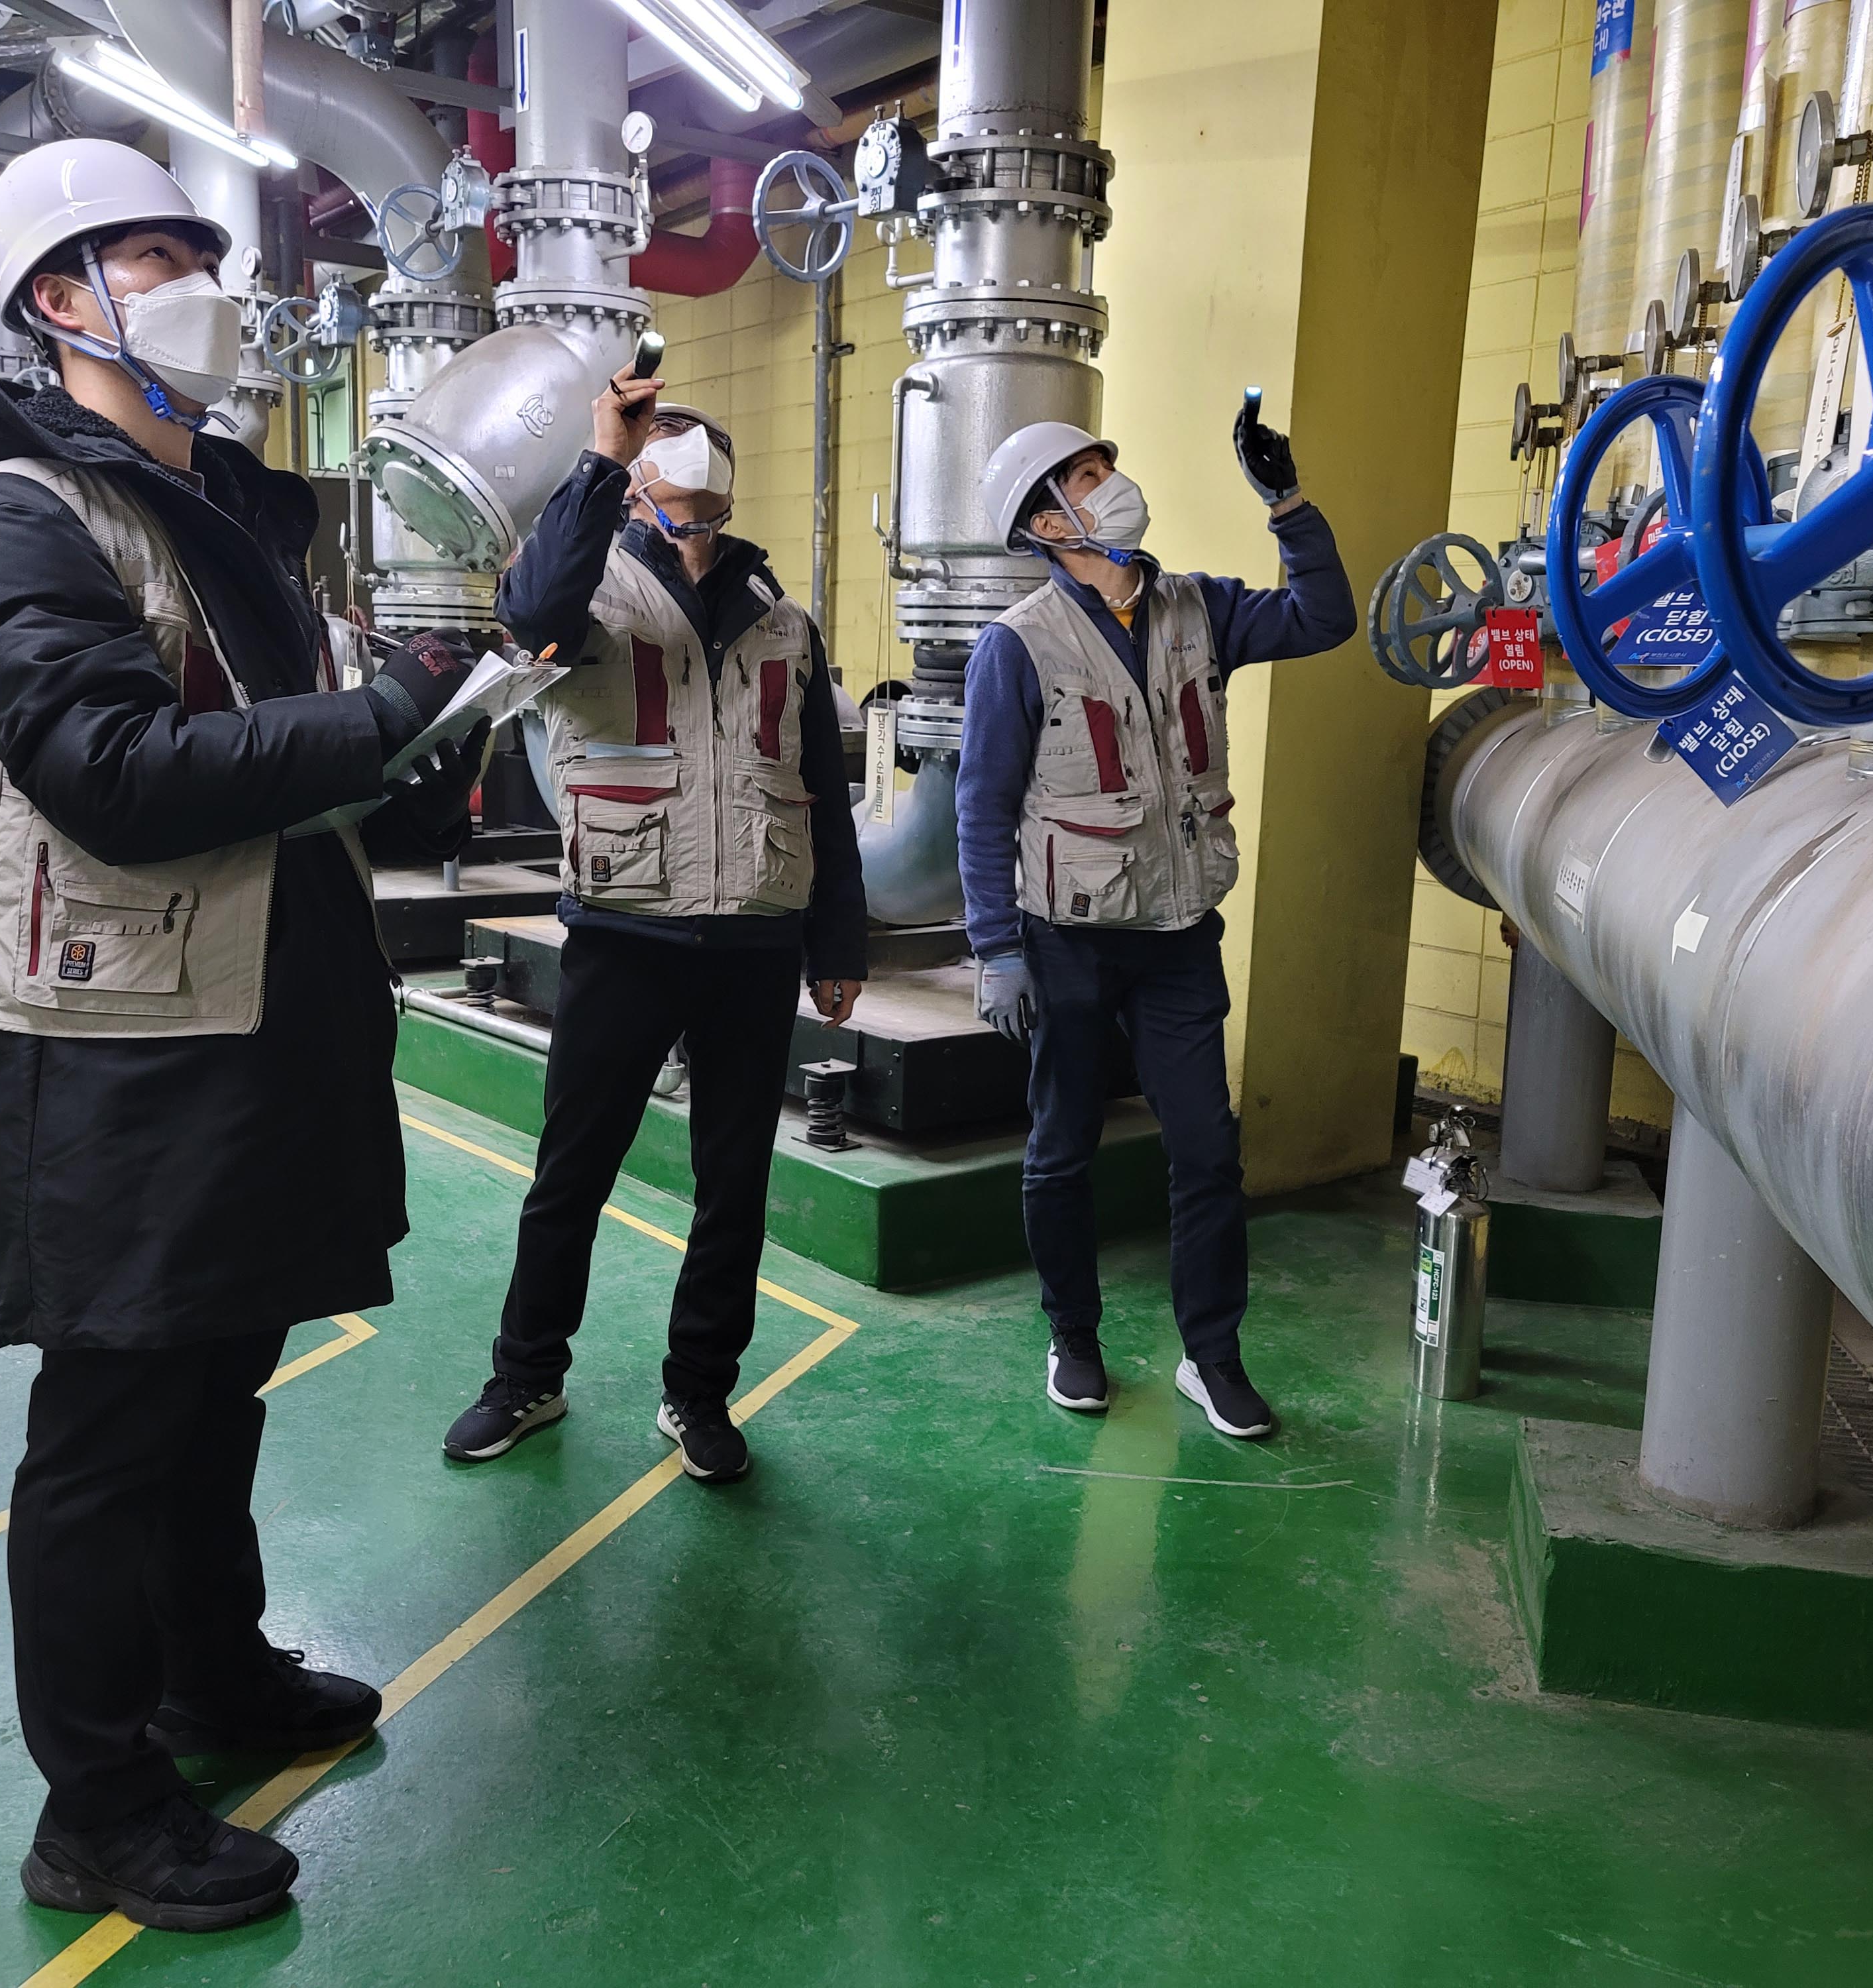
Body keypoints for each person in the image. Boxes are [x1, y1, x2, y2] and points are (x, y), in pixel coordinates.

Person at [0, 140, 481, 1932]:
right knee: (113, 1424)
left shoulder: (221, 515)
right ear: (58, 299)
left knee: (218, 1378)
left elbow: (295, 759)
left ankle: (209, 1675)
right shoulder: (21, 514)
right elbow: (111, 775)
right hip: (117, 1045)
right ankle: (93, 1810)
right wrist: (375, 718)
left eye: (200, 256)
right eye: (152, 258)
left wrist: (435, 731)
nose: (199, 291)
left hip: (252, 1010)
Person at [440, 380, 867, 1483]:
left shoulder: (783, 618)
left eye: (705, 457)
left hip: (756, 940)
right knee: (572, 1174)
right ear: (635, 481)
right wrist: (595, 464)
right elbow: (529, 617)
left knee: (734, 1187)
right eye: (662, 452)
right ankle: (526, 1376)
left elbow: (821, 786)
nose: (690, 469)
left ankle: (701, 1393)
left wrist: (839, 944)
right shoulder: (591, 588)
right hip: (625, 930)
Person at [955, 402, 1358, 1439]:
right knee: (1062, 1151)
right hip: (1067, 940)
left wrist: (1288, 503)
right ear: (1047, 523)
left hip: (1179, 938)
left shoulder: (1199, 608)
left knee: (1208, 1153)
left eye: (1105, 467)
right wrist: (996, 948)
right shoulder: (1019, 645)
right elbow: (983, 806)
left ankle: (1211, 1358)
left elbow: (1325, 619)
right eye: (1088, 477)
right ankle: (1073, 1339)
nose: (1114, 485)